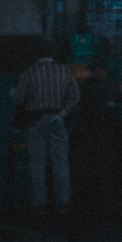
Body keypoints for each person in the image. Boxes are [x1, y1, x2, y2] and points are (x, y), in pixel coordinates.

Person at [14, 41, 80, 218]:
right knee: (60, 163)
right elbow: (75, 96)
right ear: (52, 53)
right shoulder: (65, 71)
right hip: (57, 119)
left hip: (36, 121)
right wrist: (62, 113)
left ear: (37, 55)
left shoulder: (28, 73)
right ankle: (63, 202)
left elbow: (19, 100)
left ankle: (39, 204)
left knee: (37, 164)